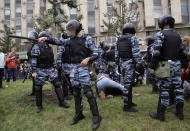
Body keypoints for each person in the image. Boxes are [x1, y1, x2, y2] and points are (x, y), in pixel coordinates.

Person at [38, 20, 102, 130]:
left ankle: (96, 116)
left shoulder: (87, 39)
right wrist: (46, 39)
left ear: (77, 29)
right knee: (76, 92)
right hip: (73, 70)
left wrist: (88, 58)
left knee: (88, 92)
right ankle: (79, 114)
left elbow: (96, 53)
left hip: (82, 69)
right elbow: (58, 41)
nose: (69, 32)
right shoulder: (69, 41)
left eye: (71, 30)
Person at [149, 15, 188, 121]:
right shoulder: (178, 35)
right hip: (177, 64)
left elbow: (156, 52)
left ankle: (160, 115)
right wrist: (184, 66)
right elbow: (183, 52)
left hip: (164, 65)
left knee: (164, 89)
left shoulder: (160, 34)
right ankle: (180, 113)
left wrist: (152, 66)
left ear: (164, 24)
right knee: (178, 89)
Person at [31, 31, 69, 113]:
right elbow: (34, 59)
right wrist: (34, 71)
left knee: (57, 84)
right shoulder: (36, 47)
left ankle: (62, 102)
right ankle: (39, 106)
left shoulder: (49, 47)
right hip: (40, 69)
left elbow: (51, 59)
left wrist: (54, 67)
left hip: (50, 69)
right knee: (38, 88)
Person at [115, 23, 142, 112]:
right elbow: (136, 52)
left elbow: (116, 53)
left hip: (122, 63)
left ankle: (129, 102)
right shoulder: (132, 38)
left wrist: (117, 64)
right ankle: (127, 106)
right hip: (129, 63)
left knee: (127, 83)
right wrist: (139, 62)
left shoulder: (118, 39)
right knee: (128, 84)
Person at [56, 32, 72, 100]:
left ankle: (72, 92)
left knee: (71, 79)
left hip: (70, 64)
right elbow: (58, 56)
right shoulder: (62, 46)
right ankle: (65, 95)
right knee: (65, 81)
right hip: (64, 65)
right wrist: (59, 65)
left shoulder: (69, 45)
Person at [27, 31, 38, 96]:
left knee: (37, 79)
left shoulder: (37, 45)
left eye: (32, 38)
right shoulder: (30, 46)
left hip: (37, 65)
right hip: (31, 64)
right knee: (34, 79)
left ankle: (37, 92)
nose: (31, 40)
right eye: (30, 39)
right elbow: (29, 55)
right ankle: (34, 91)